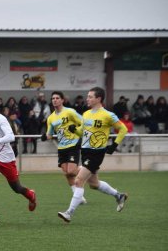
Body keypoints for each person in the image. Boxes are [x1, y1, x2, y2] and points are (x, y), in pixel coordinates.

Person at [58, 87, 128, 223]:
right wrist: (75, 130)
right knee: (94, 184)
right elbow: (82, 133)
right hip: (85, 152)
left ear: (98, 99)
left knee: (78, 180)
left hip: (96, 154)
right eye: (87, 96)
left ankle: (69, 213)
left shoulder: (108, 115)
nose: (87, 99)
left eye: (90, 96)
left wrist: (114, 144)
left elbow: (123, 129)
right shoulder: (86, 114)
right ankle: (119, 196)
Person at [41, 91, 86, 203]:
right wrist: (45, 137)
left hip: (73, 144)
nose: (55, 100)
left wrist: (75, 129)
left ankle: (86, 170)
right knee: (66, 173)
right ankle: (78, 197)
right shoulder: (51, 118)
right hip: (61, 147)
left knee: (71, 171)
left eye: (57, 98)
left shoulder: (69, 112)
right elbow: (50, 134)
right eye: (53, 98)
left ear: (62, 100)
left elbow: (83, 122)